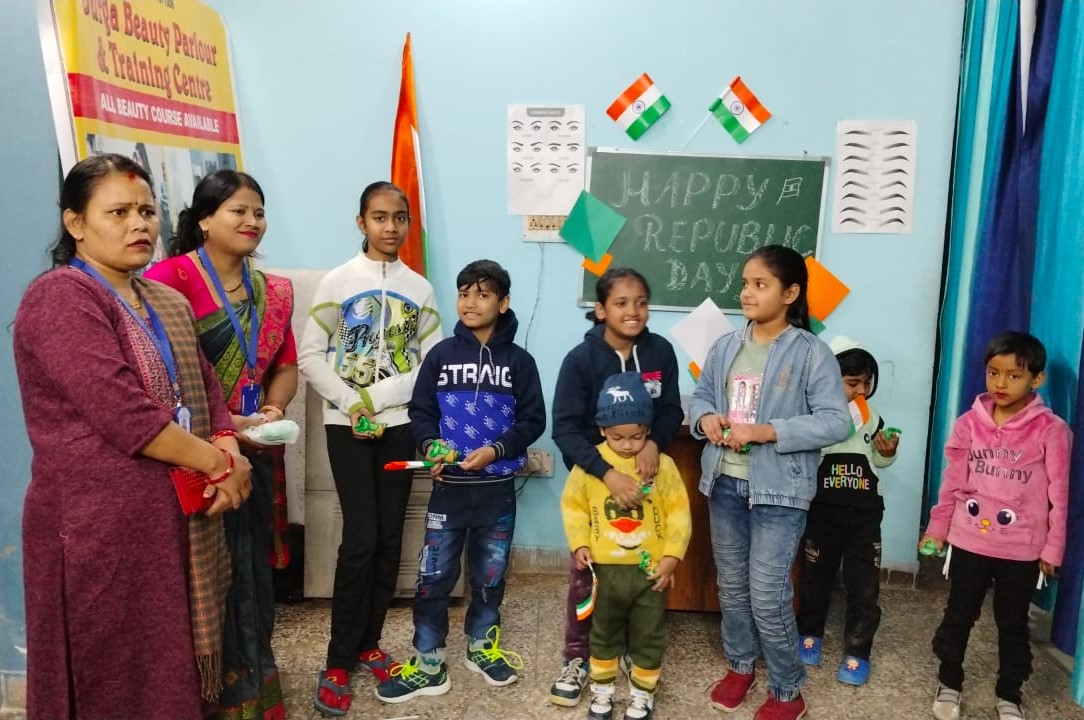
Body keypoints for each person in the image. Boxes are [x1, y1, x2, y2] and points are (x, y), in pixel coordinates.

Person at [13, 153, 253, 720]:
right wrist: (221, 465)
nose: (138, 224)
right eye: (118, 212)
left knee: (165, 674)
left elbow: (208, 392)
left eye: (146, 211)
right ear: (75, 223)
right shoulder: (61, 298)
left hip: (170, 526)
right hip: (95, 533)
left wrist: (227, 441)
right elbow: (126, 416)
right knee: (108, 677)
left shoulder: (165, 300)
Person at [144, 169, 298, 720]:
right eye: (239, 210)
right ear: (205, 219)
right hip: (191, 457)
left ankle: (254, 697)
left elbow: (286, 366)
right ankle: (202, 699)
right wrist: (229, 423)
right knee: (206, 582)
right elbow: (160, 380)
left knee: (252, 578)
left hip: (255, 452)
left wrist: (273, 411)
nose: (252, 220)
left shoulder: (272, 291)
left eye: (259, 211)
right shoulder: (167, 280)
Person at [298, 181, 442, 716]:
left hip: (398, 426)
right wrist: (350, 403)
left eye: (399, 218)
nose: (390, 227)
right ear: (361, 222)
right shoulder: (338, 282)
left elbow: (430, 363)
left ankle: (369, 643)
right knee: (359, 539)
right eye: (379, 217)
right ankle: (337, 660)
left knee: (388, 539)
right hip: (346, 428)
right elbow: (311, 356)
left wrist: (374, 399)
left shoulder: (420, 289)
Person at [689, 245, 850, 720]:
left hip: (780, 492)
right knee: (733, 588)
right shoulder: (725, 346)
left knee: (767, 594)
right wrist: (706, 419)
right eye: (745, 283)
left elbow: (836, 421)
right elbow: (700, 398)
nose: (747, 293)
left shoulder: (812, 352)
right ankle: (741, 666)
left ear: (790, 293)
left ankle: (786, 689)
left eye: (760, 285)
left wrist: (768, 431)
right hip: (724, 483)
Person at [376, 259, 546, 703]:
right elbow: (421, 411)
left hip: (496, 492)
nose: (470, 302)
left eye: (483, 294)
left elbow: (533, 420)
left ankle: (481, 646)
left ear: (503, 303)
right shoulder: (440, 356)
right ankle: (428, 662)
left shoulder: (519, 362)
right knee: (433, 577)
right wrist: (429, 444)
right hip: (448, 491)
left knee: (489, 576)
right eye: (464, 293)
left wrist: (496, 450)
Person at [549, 268, 684, 707]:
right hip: (596, 484)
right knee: (589, 579)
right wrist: (606, 473)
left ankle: (625, 651)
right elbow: (564, 428)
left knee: (638, 577)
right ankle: (577, 657)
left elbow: (670, 409)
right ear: (601, 309)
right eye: (622, 303)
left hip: (646, 486)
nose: (633, 311)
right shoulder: (580, 360)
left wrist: (655, 444)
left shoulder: (660, 352)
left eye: (641, 302)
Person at [920, 331, 1070, 720]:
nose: (1001, 383)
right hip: (969, 541)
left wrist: (1053, 548)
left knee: (1012, 623)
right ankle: (949, 682)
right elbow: (952, 482)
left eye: (1014, 375)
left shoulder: (1051, 430)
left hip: (1022, 549)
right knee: (958, 615)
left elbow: (1060, 494)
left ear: (1037, 379)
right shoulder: (969, 424)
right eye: (993, 372)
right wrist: (937, 529)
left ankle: (1009, 693)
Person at [561, 372, 691, 720]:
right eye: (618, 437)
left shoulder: (662, 466)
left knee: (649, 635)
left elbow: (679, 513)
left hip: (649, 572)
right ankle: (602, 692)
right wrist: (579, 543)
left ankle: (642, 694)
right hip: (604, 571)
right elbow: (573, 506)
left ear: (648, 429)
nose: (628, 445)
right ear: (602, 429)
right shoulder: (591, 465)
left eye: (637, 436)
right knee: (602, 633)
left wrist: (672, 557)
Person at [796, 336, 899, 686]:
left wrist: (887, 451)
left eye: (866, 383)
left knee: (863, 587)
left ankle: (858, 651)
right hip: (823, 511)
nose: (861, 391)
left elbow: (879, 461)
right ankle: (809, 634)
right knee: (815, 579)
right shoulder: (814, 414)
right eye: (853, 383)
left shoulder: (873, 417)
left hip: (865, 516)